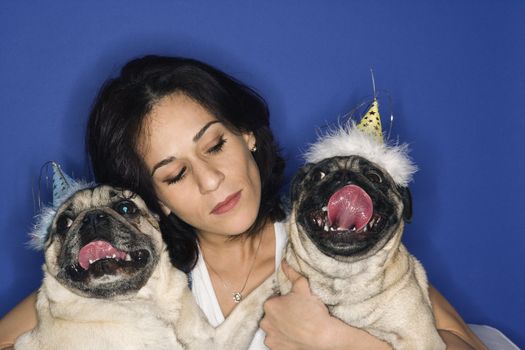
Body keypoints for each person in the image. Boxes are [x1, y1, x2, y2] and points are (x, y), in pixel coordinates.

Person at [0, 55, 487, 350]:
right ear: (156, 201)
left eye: (215, 145)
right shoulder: (139, 275)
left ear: (247, 134)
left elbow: (464, 344)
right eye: (175, 174)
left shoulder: (331, 238)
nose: (212, 180)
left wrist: (339, 342)